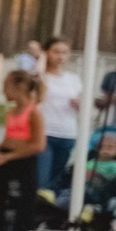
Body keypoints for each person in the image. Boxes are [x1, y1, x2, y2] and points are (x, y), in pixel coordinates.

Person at [0, 69, 47, 231]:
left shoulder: (33, 113)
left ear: (19, 87)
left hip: (22, 162)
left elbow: (38, 145)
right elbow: (8, 138)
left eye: (6, 86)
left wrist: (8, 156)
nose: (3, 91)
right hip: (6, 160)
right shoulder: (11, 112)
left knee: (17, 204)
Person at [36, 35, 81, 192]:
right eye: (56, 52)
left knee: (55, 182)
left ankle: (46, 214)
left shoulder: (73, 79)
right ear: (46, 53)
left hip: (66, 133)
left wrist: (79, 104)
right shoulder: (40, 76)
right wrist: (40, 63)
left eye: (65, 52)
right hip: (44, 133)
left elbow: (82, 103)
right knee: (41, 179)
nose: (60, 57)